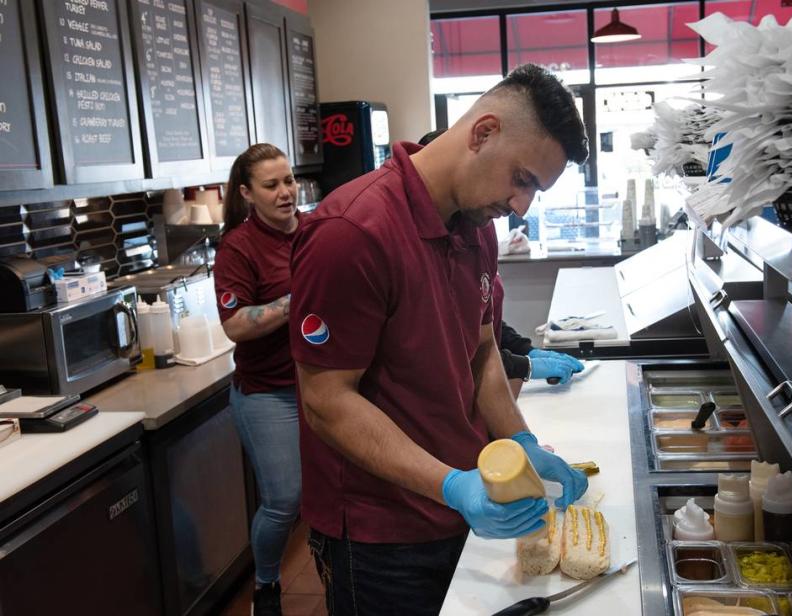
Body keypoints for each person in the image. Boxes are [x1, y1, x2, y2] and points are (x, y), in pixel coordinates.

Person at [290, 64, 590, 616]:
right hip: (379, 535)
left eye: (535, 191)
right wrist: (453, 486)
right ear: (482, 132)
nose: (521, 206)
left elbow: (480, 353)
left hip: (456, 504)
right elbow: (327, 403)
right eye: (522, 179)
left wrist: (522, 443)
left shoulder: (477, 229)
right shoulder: (351, 232)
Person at [418, 131, 585, 393]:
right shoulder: (419, 249)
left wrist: (525, 349)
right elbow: (450, 351)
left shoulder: (478, 230)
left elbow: (483, 319)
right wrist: (522, 365)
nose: (520, 207)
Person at [214, 143, 302, 616]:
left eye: (288, 180)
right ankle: (266, 584)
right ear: (247, 193)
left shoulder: (314, 230)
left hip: (322, 385)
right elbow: (235, 325)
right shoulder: (238, 248)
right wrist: (294, 300)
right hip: (268, 393)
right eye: (272, 185)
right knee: (284, 499)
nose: (286, 192)